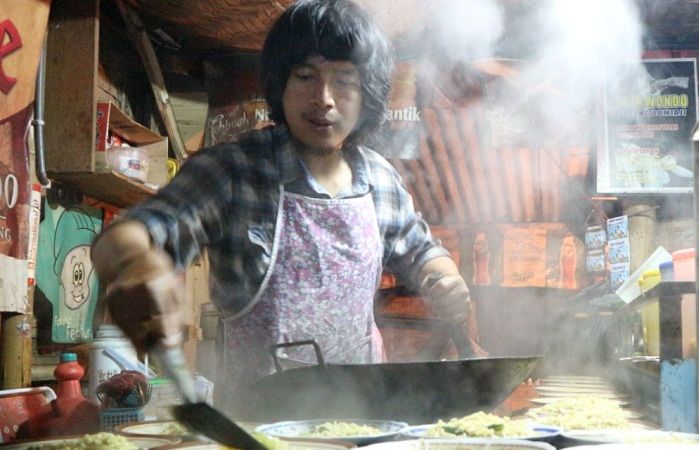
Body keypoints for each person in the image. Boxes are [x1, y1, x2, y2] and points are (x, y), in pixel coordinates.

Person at [91, 0, 470, 416]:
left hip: (360, 418)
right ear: (280, 85)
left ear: (368, 94)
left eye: (344, 80)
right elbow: (136, 232)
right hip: (258, 426)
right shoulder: (234, 169)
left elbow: (421, 251)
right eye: (305, 76)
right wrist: (134, 265)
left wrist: (443, 278)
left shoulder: (380, 179)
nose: (323, 99)